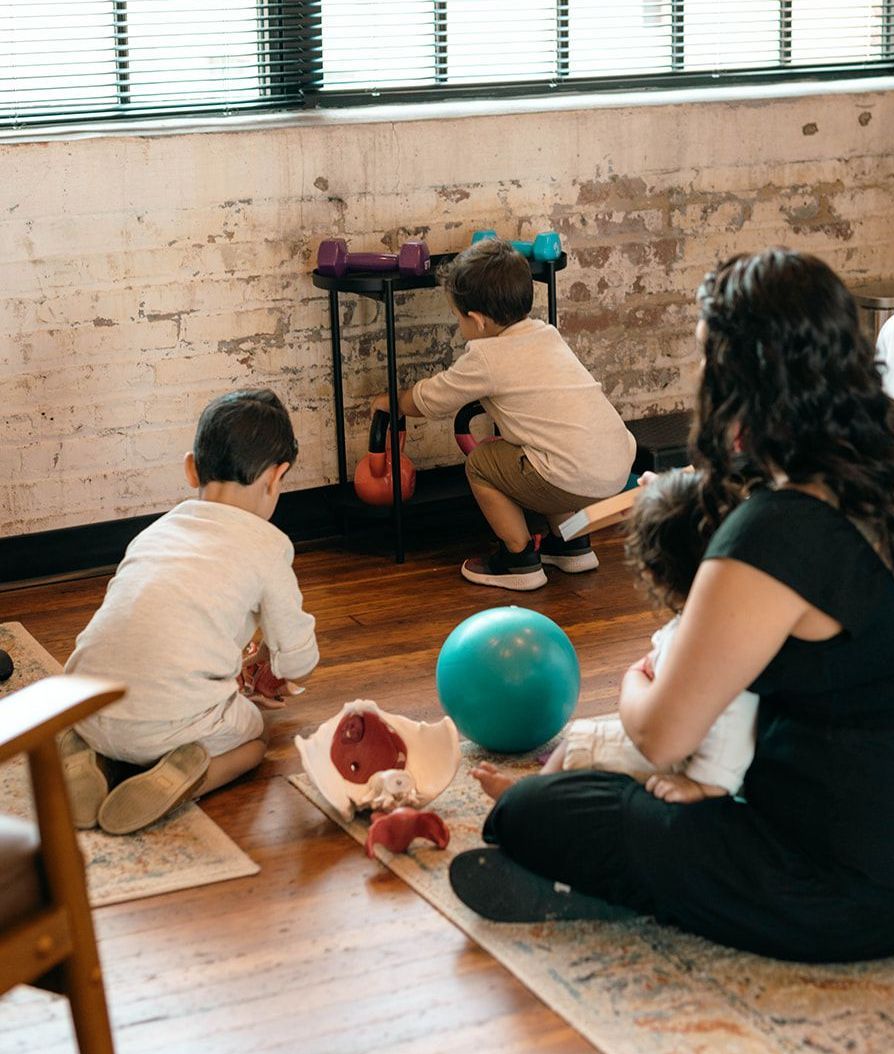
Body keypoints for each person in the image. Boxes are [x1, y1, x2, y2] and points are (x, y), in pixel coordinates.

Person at [449, 248, 894, 963]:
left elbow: (662, 736)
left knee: (533, 810)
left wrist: (636, 681)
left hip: (849, 885)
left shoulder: (775, 531)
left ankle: (617, 887)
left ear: (737, 376)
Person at [62, 388, 319, 835]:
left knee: (108, 719)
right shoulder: (268, 546)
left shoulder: (154, 533)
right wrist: (277, 667)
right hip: (165, 724)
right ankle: (186, 778)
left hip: (83, 702)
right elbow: (299, 660)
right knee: (257, 739)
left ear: (191, 468)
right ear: (277, 478)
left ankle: (81, 751)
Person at [472, 467, 758, 805]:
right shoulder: (738, 613)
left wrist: (705, 783)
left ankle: (527, 801)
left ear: (653, 575)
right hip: (688, 742)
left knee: (579, 742)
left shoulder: (698, 639)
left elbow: (735, 718)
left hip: (691, 762)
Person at [370, 238, 635, 591]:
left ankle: (518, 559)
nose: (459, 324)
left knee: (483, 463)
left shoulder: (487, 357)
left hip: (570, 474)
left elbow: (432, 400)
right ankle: (571, 544)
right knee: (544, 451)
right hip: (615, 465)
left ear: (477, 321)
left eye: (458, 317)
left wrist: (392, 401)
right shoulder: (547, 335)